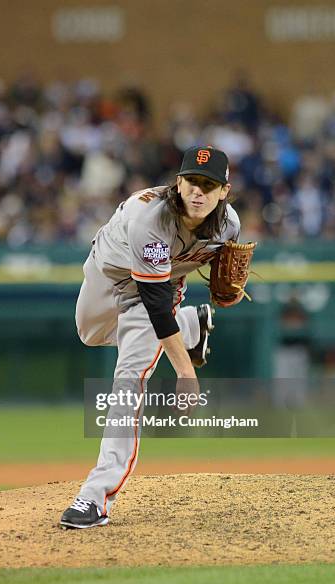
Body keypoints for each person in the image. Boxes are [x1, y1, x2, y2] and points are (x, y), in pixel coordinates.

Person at [60, 145, 240, 529]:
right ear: (178, 183)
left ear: (224, 191)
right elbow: (161, 312)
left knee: (128, 380)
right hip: (108, 272)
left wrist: (228, 292)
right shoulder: (151, 218)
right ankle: (190, 326)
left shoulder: (229, 226)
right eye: (192, 181)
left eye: (208, 186)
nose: (198, 192)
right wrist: (185, 373)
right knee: (90, 334)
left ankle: (95, 498)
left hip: (155, 291)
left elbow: (155, 304)